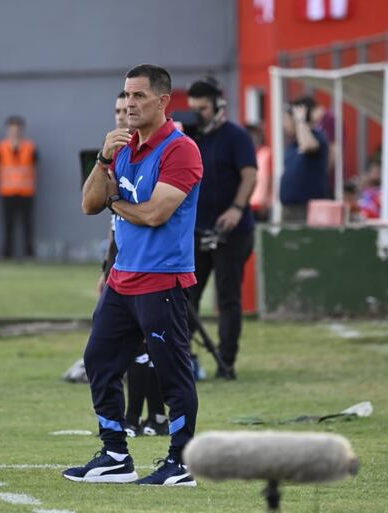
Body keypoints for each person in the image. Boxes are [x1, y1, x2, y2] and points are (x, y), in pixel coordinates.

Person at [64, 64, 202, 486]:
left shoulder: (181, 150)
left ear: (163, 101)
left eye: (139, 96)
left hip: (163, 280)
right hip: (123, 280)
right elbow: (89, 203)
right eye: (125, 96)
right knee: (99, 361)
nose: (128, 104)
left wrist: (115, 203)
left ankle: (181, 463)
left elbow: (156, 214)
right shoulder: (122, 147)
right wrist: (105, 159)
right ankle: (114, 454)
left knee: (171, 371)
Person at [95, 90, 168, 437]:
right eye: (117, 110)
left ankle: (152, 419)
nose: (122, 116)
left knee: (159, 352)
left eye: (129, 108)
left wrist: (113, 202)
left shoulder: (166, 147)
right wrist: (105, 269)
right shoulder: (117, 152)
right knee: (108, 353)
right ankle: (136, 423)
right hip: (123, 266)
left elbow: (151, 212)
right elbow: (106, 216)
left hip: (159, 268)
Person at [186, 76, 257, 380]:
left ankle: (226, 361)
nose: (197, 115)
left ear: (217, 105)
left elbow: (250, 175)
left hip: (232, 230)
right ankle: (183, 358)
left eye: (202, 108)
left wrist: (237, 209)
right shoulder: (188, 138)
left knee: (228, 298)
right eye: (192, 109)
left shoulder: (236, 136)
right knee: (187, 298)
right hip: (195, 229)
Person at [0, 116, 38, 259]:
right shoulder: (1, 147)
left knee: (27, 224)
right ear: (7, 131)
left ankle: (29, 254)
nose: (15, 133)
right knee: (7, 224)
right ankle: (7, 254)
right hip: (7, 191)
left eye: (17, 130)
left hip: (26, 191)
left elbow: (35, 168)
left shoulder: (30, 147)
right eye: (12, 130)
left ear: (22, 131)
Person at [280, 96, 330, 221]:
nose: (284, 125)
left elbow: (307, 145)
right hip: (289, 209)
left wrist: (301, 120)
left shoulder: (317, 137)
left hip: (308, 210)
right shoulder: (293, 144)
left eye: (286, 120)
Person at [246, 123, 272, 221]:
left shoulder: (265, 152)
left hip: (260, 204)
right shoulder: (246, 154)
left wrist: (266, 201)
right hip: (246, 203)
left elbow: (269, 178)